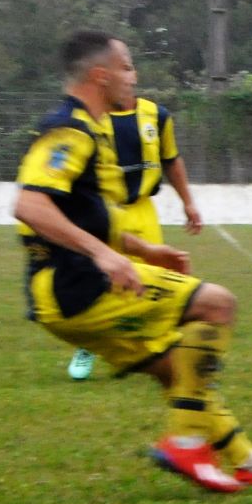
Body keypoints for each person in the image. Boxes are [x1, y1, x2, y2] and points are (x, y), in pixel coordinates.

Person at [16, 30, 252, 491]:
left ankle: (249, 462)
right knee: (217, 305)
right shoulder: (70, 129)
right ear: (101, 75)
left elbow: (86, 213)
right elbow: (30, 205)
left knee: (182, 370)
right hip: (77, 284)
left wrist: (144, 250)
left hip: (59, 297)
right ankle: (187, 444)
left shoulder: (89, 128)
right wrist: (103, 255)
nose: (133, 78)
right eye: (127, 67)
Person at [66, 88, 204, 380]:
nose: (126, 76)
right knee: (102, 278)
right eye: (121, 68)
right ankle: (87, 346)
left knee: (155, 280)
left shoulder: (157, 115)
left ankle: (155, 348)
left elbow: (171, 159)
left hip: (143, 209)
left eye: (130, 68)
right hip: (105, 209)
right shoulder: (90, 120)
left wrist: (188, 202)